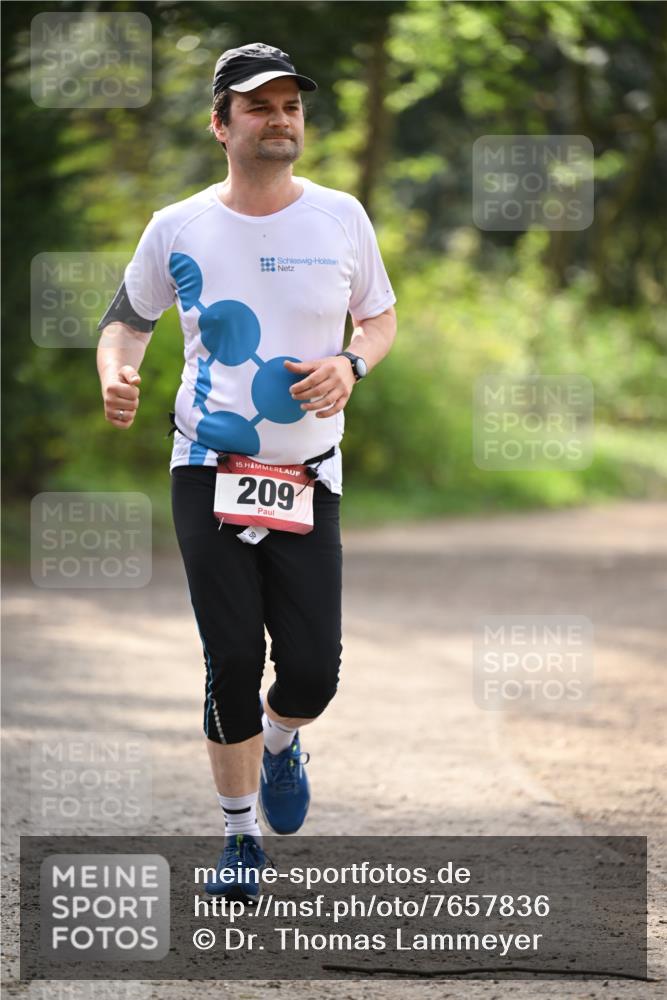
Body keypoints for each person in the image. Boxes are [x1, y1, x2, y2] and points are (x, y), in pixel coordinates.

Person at [96, 42, 396, 898]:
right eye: (259, 106)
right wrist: (116, 372)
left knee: (311, 671)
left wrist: (352, 364)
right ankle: (238, 842)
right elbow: (126, 322)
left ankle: (281, 741)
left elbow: (377, 318)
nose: (279, 118)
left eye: (290, 105)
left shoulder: (341, 216)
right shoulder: (178, 226)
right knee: (229, 655)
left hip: (309, 472)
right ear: (220, 123)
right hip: (206, 466)